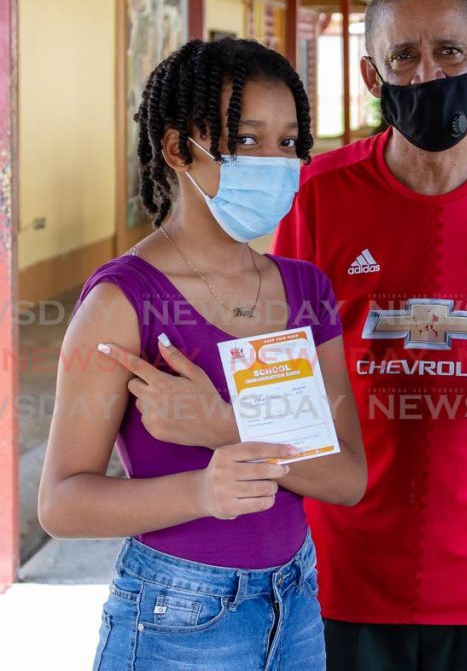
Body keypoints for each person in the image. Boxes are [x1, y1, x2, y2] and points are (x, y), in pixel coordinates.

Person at [37, 38, 368, 670]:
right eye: (246, 141)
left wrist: (225, 426)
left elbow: (346, 478)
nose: (274, 162)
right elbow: (62, 503)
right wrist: (202, 491)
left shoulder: (306, 288)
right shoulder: (122, 300)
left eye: (288, 142)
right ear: (176, 148)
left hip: (296, 599)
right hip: (180, 610)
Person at [272, 0, 467, 671]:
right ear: (373, 73)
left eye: (450, 54)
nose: (428, 73)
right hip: (345, 557)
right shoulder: (318, 194)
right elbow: (284, 358)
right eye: (404, 57)